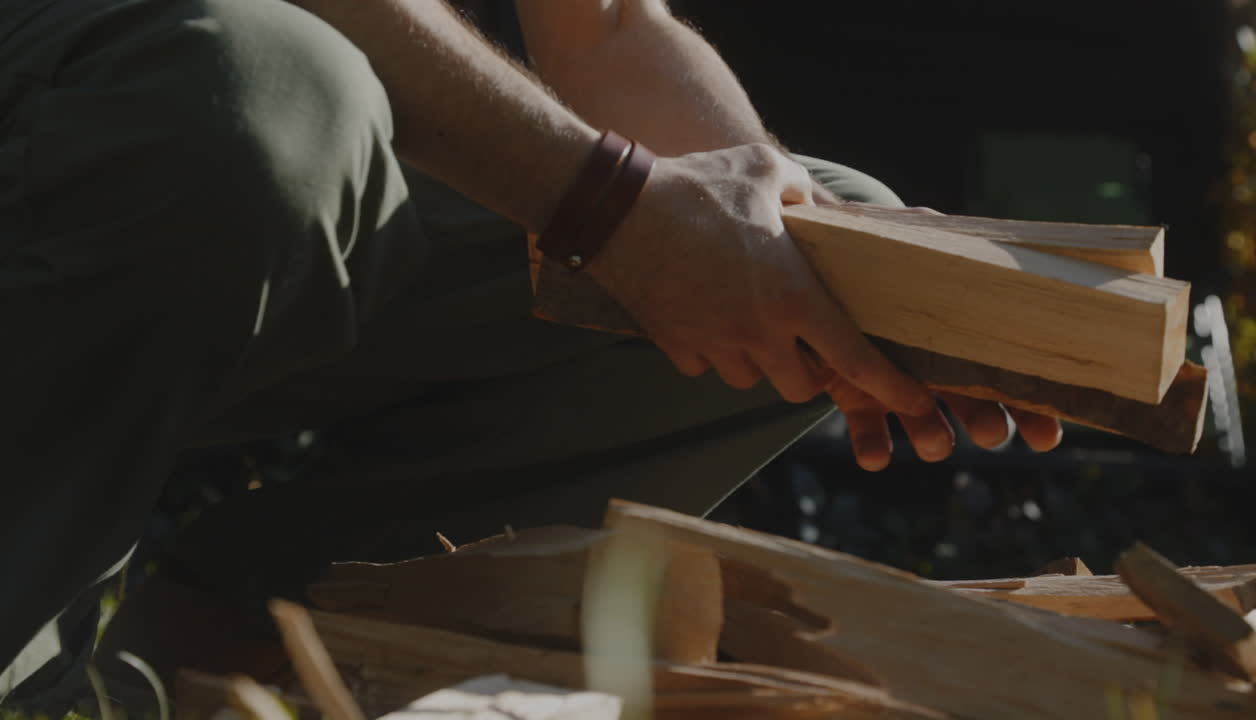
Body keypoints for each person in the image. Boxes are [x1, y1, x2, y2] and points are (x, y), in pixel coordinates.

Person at [0, 0, 1062, 712]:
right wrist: (615, 209)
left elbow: (604, 27)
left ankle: (232, 660)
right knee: (260, 95)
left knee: (808, 261)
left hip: (275, 155)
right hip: (107, 110)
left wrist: (790, 234)